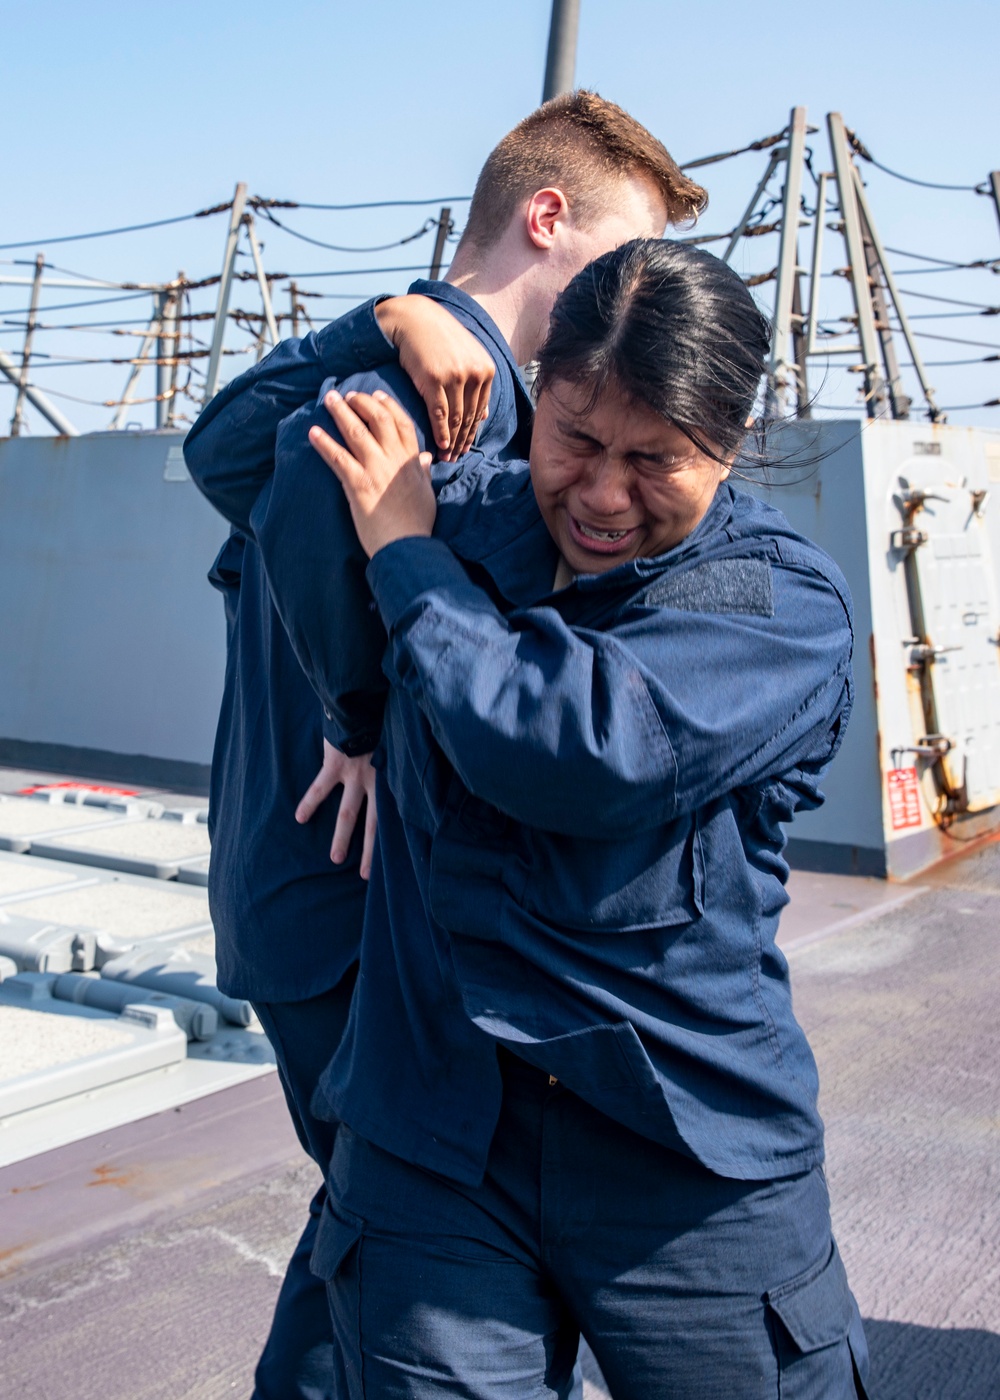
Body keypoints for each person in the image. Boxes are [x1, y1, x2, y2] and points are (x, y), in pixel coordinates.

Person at [262, 237, 870, 1397]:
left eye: (656, 460)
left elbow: (572, 749)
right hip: (437, 1129)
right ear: (533, 398)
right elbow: (298, 459)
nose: (599, 493)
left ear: (730, 447)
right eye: (575, 439)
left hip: (678, 1147)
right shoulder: (480, 516)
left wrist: (406, 561)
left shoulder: (777, 606)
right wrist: (398, 322)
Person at [183, 92, 706, 1400]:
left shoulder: (450, 386)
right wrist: (357, 715)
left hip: (300, 893)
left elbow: (222, 452)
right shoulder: (416, 387)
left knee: (371, 1225)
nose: (634, 295)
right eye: (624, 254)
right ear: (546, 220)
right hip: (339, 896)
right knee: (405, 1229)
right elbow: (296, 492)